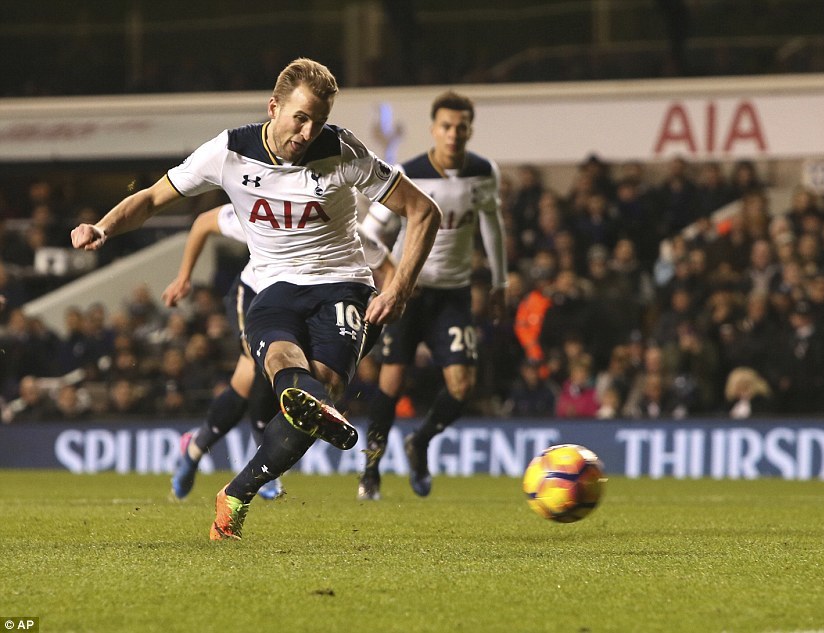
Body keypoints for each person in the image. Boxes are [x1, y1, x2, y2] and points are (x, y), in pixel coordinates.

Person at [71, 58, 441, 540]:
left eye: (319, 121)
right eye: (300, 118)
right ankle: (299, 407)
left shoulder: (345, 151)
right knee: (296, 379)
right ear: (274, 107)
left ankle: (236, 493)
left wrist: (398, 287)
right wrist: (103, 226)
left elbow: (422, 211)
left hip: (344, 284)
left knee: (318, 388)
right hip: (272, 287)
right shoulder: (228, 151)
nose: (308, 132)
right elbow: (152, 198)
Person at [165, 203, 395, 502]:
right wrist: (184, 276)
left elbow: (389, 268)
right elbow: (204, 221)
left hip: (311, 305)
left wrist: (384, 306)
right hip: (254, 295)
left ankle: (195, 448)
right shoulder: (266, 207)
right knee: (262, 370)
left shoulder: (345, 231)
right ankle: (258, 466)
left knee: (249, 383)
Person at [358, 90, 508, 500]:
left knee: (463, 385)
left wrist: (500, 282)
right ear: (433, 129)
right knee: (391, 382)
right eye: (446, 126)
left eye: (461, 127)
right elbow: (369, 233)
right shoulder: (407, 173)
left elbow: (492, 226)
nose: (454, 134)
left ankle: (419, 442)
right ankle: (370, 472)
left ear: (469, 130)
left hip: (454, 294)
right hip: (409, 295)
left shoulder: (483, 172)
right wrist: (394, 275)